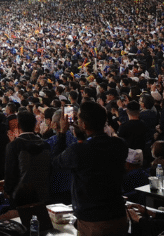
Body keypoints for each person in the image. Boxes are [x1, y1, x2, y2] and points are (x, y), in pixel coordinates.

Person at [52, 100, 128, 235]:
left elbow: (57, 162)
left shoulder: (78, 151)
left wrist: (62, 133)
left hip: (92, 221)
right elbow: (98, 148)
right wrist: (82, 133)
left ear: (84, 124)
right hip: (119, 216)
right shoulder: (120, 145)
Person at [3, 110, 51, 206]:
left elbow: (10, 173)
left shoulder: (14, 146)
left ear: (18, 126)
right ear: (34, 125)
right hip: (43, 194)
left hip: (20, 196)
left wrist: (7, 191)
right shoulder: (45, 144)